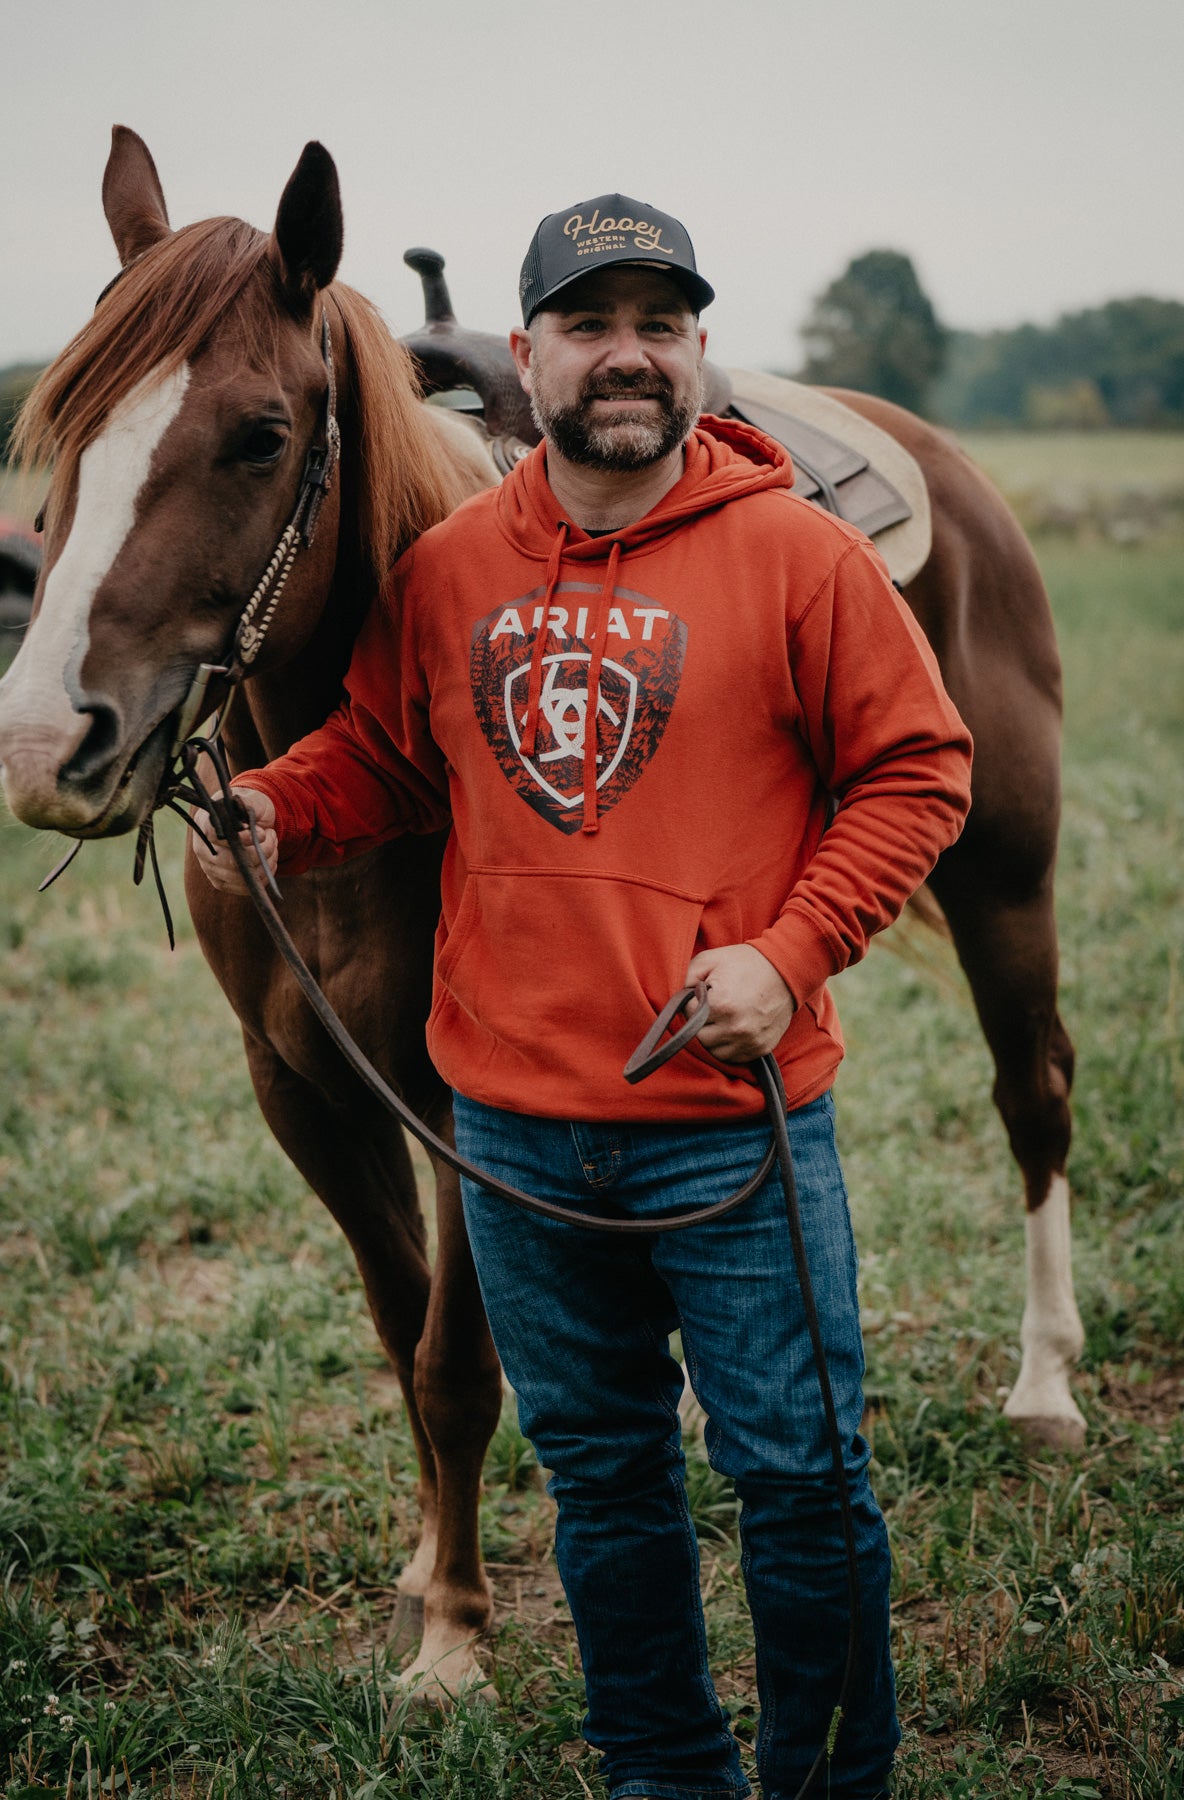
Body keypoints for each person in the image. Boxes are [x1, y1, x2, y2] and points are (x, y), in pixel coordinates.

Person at [195, 194, 972, 1800]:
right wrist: (285, 802)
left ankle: (826, 1784)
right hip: (519, 1142)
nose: (628, 355)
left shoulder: (803, 557)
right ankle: (663, 1775)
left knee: (804, 1485)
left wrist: (789, 952)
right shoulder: (453, 567)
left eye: (661, 325)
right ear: (529, 353)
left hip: (729, 1135)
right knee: (608, 1489)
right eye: (591, 324)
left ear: (698, 353)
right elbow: (393, 756)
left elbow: (919, 770)